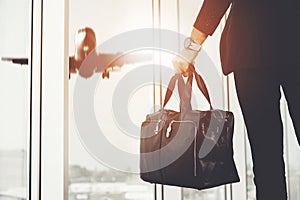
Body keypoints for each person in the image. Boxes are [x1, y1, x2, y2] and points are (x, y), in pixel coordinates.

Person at [173, 1, 300, 200]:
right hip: (269, 44)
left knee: (266, 157)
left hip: (251, 48)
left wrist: (192, 47)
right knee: (266, 157)